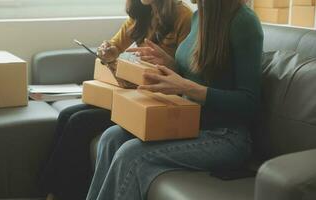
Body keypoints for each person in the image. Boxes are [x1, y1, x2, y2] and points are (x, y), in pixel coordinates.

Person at [86, 0, 264, 199]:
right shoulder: (200, 16)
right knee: (111, 138)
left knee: (131, 154)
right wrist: (170, 64)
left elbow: (249, 103)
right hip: (191, 124)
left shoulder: (244, 22)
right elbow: (196, 74)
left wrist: (185, 86)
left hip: (226, 136)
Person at [39, 1, 192, 200]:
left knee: (79, 122)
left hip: (160, 101)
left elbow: (188, 74)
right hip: (136, 92)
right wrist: (107, 52)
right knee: (68, 114)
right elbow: (114, 46)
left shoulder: (184, 17)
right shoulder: (141, 13)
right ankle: (48, 192)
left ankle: (65, 194)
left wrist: (170, 64)